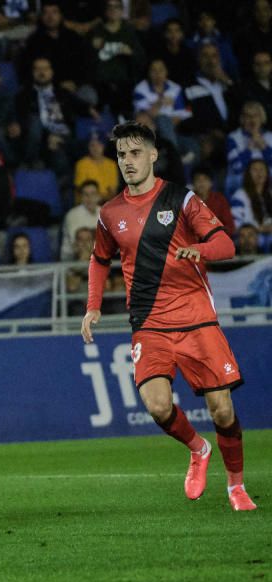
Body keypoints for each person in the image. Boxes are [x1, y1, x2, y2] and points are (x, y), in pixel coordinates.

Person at [82, 121, 256, 512]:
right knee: (158, 406)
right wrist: (93, 305)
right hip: (149, 323)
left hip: (197, 319)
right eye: (122, 154)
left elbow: (225, 243)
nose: (128, 161)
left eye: (135, 153)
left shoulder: (182, 199)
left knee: (222, 410)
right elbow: (98, 259)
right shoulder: (110, 213)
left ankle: (236, 486)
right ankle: (198, 448)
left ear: (154, 154)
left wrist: (201, 251)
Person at [60, 179, 100, 259]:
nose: (89, 198)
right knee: (84, 248)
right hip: (72, 259)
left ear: (98, 196)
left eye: (93, 194)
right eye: (86, 194)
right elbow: (78, 244)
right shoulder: (72, 215)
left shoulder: (105, 213)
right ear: (81, 197)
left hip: (97, 256)